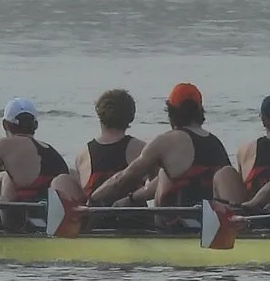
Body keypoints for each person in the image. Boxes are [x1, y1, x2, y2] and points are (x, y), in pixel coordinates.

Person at [84, 83, 246, 213]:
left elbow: (122, 179)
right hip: (211, 223)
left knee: (163, 174)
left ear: (171, 112)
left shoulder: (166, 142)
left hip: (179, 225)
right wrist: (131, 199)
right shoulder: (215, 142)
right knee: (164, 175)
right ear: (199, 110)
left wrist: (93, 200)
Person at [71, 89, 141, 195]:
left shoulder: (83, 155)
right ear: (131, 117)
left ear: (100, 115)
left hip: (96, 210)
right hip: (131, 210)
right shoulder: (140, 148)